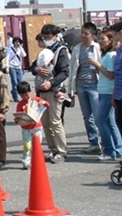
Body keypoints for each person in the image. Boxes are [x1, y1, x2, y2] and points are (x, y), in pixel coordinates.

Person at [34, 23, 71, 163]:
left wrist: (51, 82)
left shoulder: (61, 50)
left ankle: (62, 151)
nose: (46, 40)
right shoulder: (43, 50)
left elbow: (64, 72)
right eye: (44, 37)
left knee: (55, 121)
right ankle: (53, 149)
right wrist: (36, 70)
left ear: (55, 37)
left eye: (48, 37)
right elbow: (32, 66)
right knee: (45, 122)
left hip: (54, 90)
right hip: (41, 90)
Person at [68, 22, 102, 153]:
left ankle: (105, 142)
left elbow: (103, 67)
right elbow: (72, 70)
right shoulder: (77, 49)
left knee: (99, 116)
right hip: (81, 86)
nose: (83, 35)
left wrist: (96, 64)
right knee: (87, 116)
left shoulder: (97, 48)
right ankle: (93, 142)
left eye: (86, 33)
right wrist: (71, 89)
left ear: (92, 35)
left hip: (95, 85)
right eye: (82, 33)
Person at [91, 28, 122, 160]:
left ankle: (109, 150)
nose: (100, 41)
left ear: (110, 40)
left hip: (109, 91)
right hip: (104, 90)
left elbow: (110, 75)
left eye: (103, 39)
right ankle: (118, 148)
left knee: (99, 120)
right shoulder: (105, 55)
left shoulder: (112, 55)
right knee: (110, 122)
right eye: (99, 39)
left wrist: (97, 65)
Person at [13, 81, 49, 169]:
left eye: (27, 94)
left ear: (30, 91)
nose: (25, 97)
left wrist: (43, 103)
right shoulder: (20, 104)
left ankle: (37, 159)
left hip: (36, 127)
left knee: (37, 145)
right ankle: (26, 161)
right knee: (27, 145)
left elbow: (47, 104)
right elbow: (18, 116)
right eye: (22, 95)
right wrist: (17, 119)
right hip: (26, 128)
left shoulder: (36, 99)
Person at [110, 21, 122, 143]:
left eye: (114, 33)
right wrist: (114, 94)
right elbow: (117, 74)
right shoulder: (118, 50)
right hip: (119, 93)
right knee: (119, 122)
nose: (112, 35)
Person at [6, 36, 27, 102]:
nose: (17, 43)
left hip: (19, 67)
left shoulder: (20, 49)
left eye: (19, 42)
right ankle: (16, 97)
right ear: (14, 42)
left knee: (20, 82)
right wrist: (7, 67)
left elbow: (24, 55)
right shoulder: (10, 49)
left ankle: (14, 91)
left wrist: (21, 47)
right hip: (12, 67)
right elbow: (7, 58)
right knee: (14, 82)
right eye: (16, 42)